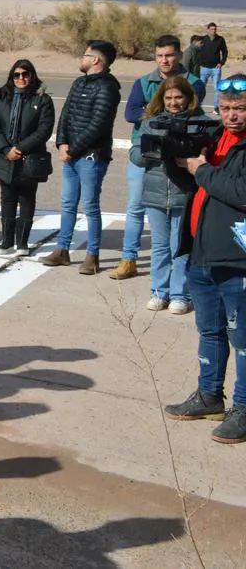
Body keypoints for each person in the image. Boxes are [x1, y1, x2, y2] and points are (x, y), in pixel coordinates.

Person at [163, 73, 246, 445]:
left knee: (242, 338)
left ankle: (243, 409)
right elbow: (192, 182)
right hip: (203, 251)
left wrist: (202, 169)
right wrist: (175, 157)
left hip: (237, 258)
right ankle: (209, 395)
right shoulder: (214, 138)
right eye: (226, 108)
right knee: (209, 330)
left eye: (241, 109)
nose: (233, 116)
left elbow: (239, 191)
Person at [112, 35, 205, 281]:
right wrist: (155, 116)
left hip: (178, 159)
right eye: (160, 56)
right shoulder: (144, 81)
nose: (164, 60)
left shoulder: (193, 82)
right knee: (135, 207)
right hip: (146, 153)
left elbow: (190, 113)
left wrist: (152, 113)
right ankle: (128, 258)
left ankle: (180, 279)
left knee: (178, 219)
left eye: (169, 55)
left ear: (178, 55)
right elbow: (131, 113)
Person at [42, 41, 122, 275]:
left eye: (85, 55)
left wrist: (73, 149)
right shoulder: (79, 83)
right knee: (68, 204)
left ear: (95, 60)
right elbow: (66, 114)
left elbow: (98, 124)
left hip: (92, 157)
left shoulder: (108, 88)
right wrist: (61, 142)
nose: (81, 58)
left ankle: (92, 255)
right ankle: (62, 249)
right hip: (71, 155)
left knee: (90, 206)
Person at [131, 77, 199, 314]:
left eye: (178, 97)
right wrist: (155, 151)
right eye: (168, 98)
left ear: (188, 98)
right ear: (161, 99)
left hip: (184, 194)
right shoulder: (150, 123)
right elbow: (135, 156)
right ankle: (159, 292)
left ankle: (181, 294)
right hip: (156, 193)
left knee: (180, 247)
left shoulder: (197, 123)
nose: (173, 102)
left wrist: (186, 156)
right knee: (160, 246)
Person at [0, 60, 55, 257]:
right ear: (11, 77)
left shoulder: (42, 99)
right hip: (5, 157)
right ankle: (6, 241)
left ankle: (22, 242)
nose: (21, 78)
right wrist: (6, 148)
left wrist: (20, 148)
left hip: (29, 157)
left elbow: (44, 130)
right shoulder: (2, 97)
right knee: (7, 198)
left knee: (27, 198)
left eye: (25, 74)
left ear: (32, 75)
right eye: (17, 75)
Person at [198, 22, 229, 111]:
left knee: (217, 89)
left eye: (215, 29)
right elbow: (198, 51)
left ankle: (216, 108)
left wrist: (221, 63)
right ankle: (198, 107)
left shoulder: (220, 39)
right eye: (211, 29)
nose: (213, 31)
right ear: (207, 30)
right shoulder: (203, 39)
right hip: (204, 68)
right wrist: (199, 63)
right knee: (201, 88)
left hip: (216, 68)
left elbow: (225, 52)